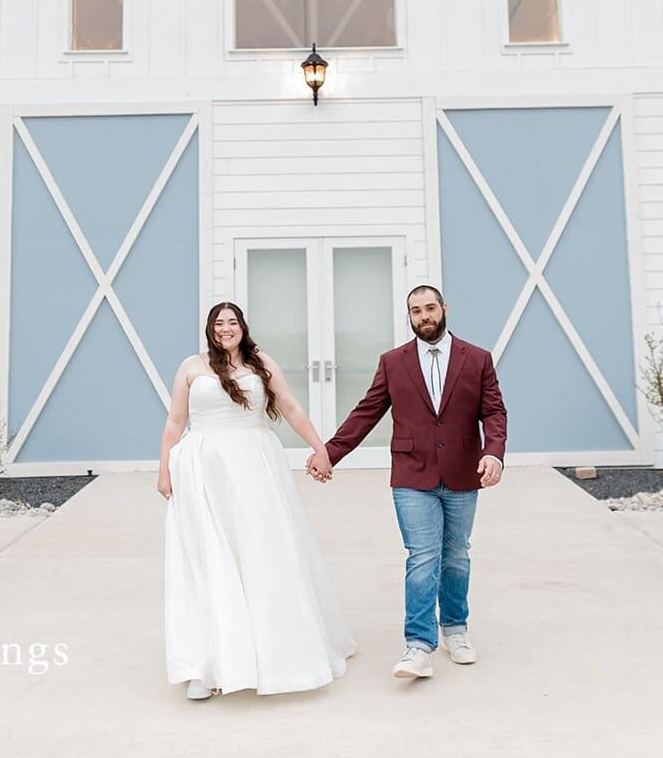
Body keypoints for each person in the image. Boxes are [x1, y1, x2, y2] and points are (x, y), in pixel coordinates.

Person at [160, 301, 356, 699]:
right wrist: (164, 469)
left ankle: (275, 652)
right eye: (219, 323)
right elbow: (175, 421)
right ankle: (209, 664)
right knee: (211, 557)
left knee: (261, 553)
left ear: (242, 327)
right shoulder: (191, 367)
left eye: (232, 322)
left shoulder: (261, 363)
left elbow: (290, 407)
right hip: (204, 471)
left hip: (254, 469)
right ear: (210, 329)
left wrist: (320, 448)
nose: (225, 328)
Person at [311, 284, 507, 680]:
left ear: (444, 308)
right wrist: (330, 452)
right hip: (411, 473)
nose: (424, 316)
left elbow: (494, 411)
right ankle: (419, 644)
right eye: (416, 311)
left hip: (463, 470)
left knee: (456, 554)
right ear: (410, 316)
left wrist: (493, 452)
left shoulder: (477, 358)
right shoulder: (393, 362)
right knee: (422, 556)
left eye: (430, 308)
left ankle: (455, 628)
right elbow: (367, 412)